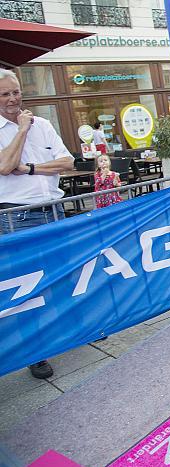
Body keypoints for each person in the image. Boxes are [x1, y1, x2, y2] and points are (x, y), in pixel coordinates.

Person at [0, 68, 74, 379]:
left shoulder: (42, 124)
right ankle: (36, 353)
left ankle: (72, 331)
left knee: (65, 273)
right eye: (5, 94)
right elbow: (4, 166)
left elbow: (68, 163)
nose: (14, 98)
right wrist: (20, 130)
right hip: (17, 217)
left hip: (53, 211)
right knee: (27, 287)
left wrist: (29, 168)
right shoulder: (21, 127)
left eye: (15, 91)